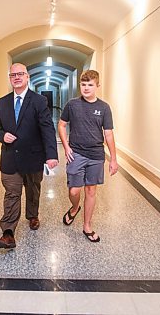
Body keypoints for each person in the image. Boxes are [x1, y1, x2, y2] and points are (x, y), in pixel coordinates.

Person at [0, 63, 59, 249]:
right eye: (13, 75)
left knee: (33, 190)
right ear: (10, 78)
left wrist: (51, 154)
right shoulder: (2, 102)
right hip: (10, 157)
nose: (17, 77)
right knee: (11, 194)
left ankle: (32, 215)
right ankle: (8, 233)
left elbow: (47, 128)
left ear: (27, 77)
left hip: (33, 156)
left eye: (20, 74)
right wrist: (2, 135)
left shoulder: (38, 101)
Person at [58, 70, 118, 242]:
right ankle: (74, 207)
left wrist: (113, 159)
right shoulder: (72, 105)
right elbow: (61, 126)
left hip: (96, 155)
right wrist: (67, 147)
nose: (86, 88)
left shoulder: (104, 108)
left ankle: (87, 226)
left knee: (91, 190)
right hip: (76, 153)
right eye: (83, 85)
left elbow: (109, 135)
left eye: (90, 85)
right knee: (74, 190)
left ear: (97, 86)